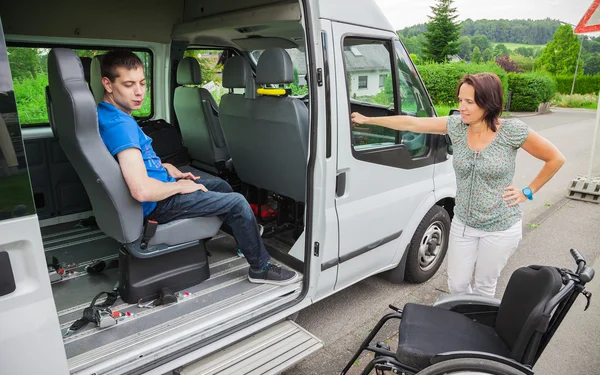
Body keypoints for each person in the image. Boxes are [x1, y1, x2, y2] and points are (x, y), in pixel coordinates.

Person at [351, 72, 565, 297]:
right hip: (464, 223)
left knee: (484, 287)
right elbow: (412, 123)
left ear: (489, 102)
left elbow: (555, 159)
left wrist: (527, 191)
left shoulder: (512, 131)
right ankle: (464, 314)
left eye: (469, 102)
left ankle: (474, 325)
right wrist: (368, 120)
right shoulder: (456, 126)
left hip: (500, 227)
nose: (462, 107)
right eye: (460, 100)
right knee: (457, 285)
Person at [96, 49, 298, 286]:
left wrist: (166, 167)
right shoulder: (121, 126)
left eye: (142, 83)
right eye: (129, 85)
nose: (139, 91)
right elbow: (141, 190)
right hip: (158, 204)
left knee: (221, 185)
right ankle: (260, 268)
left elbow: (130, 163)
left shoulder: (108, 113)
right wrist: (179, 187)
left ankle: (246, 239)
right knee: (237, 203)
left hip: (161, 188)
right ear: (108, 84)